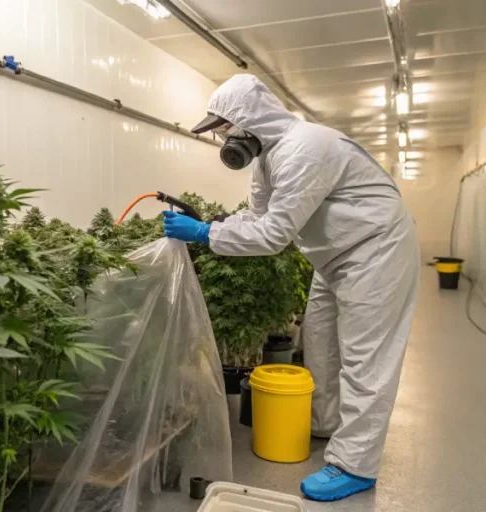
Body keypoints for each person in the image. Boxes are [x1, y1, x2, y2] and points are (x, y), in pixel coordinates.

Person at [163, 74, 419, 502]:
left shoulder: (305, 148)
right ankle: (324, 425)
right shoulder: (268, 158)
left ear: (249, 120)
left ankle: (355, 465)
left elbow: (273, 235)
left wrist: (206, 234)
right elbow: (257, 216)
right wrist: (214, 225)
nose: (222, 137)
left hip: (376, 250)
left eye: (224, 127)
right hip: (332, 256)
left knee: (365, 358)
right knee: (320, 342)